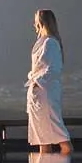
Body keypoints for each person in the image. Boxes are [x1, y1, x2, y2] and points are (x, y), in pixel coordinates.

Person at [27, 8, 70, 151]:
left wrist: (37, 81)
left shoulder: (50, 43)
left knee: (59, 134)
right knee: (42, 137)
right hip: (39, 97)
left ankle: (65, 162)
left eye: (35, 22)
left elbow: (53, 69)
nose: (34, 25)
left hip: (46, 95)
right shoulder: (43, 42)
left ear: (41, 22)